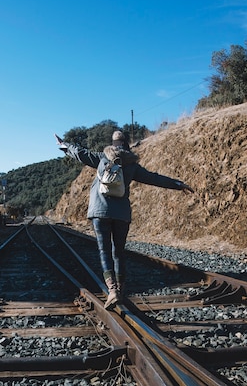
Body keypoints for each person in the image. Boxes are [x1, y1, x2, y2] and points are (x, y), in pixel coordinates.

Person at [54, 130, 194, 309]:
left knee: (104, 251)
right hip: (121, 214)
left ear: (112, 143)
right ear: (127, 144)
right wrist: (177, 184)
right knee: (118, 252)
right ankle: (120, 291)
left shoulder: (101, 157)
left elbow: (80, 153)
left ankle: (112, 291)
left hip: (100, 211)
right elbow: (153, 178)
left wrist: (63, 144)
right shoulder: (131, 164)